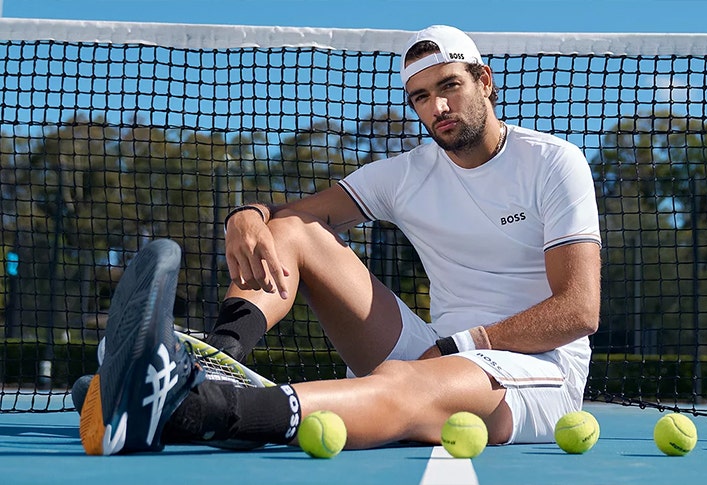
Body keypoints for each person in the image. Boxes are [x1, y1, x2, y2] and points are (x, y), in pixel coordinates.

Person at [77, 24, 602, 456]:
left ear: (484, 81)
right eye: (421, 97)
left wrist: (461, 346)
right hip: (435, 351)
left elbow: (579, 310)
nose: (437, 106)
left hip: (536, 370)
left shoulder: (553, 163)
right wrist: (246, 215)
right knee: (294, 231)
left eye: (449, 86)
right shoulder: (405, 174)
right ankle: (216, 357)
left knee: (408, 384)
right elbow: (290, 219)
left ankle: (193, 410)